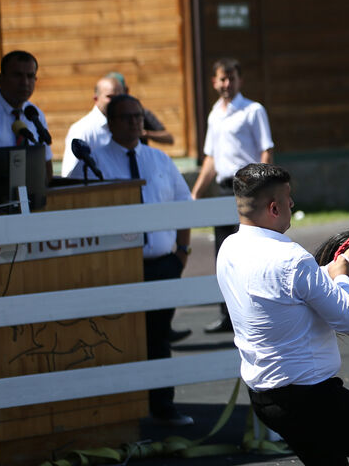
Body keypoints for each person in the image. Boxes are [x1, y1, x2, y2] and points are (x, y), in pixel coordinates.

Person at [216, 163, 349, 466]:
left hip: (267, 400)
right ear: (274, 208)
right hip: (310, 401)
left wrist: (345, 258)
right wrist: (343, 275)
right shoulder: (289, 258)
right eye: (288, 198)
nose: (293, 204)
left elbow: (289, 290)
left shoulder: (230, 248)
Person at [63, 94, 195, 426]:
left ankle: (163, 407)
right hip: (116, 268)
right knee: (115, 338)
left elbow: (184, 207)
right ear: (111, 123)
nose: (135, 122)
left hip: (163, 264)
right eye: (127, 117)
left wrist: (181, 253)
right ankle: (119, 412)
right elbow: (77, 214)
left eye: (139, 116)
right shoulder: (93, 163)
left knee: (158, 337)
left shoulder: (160, 159)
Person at [191, 58, 274, 333]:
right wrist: (195, 194)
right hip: (224, 189)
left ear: (240, 81)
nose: (226, 84)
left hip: (249, 187)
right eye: (221, 79)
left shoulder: (252, 110)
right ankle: (228, 316)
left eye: (231, 78)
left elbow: (266, 150)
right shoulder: (215, 114)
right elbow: (211, 159)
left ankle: (257, 310)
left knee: (251, 249)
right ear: (214, 82)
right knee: (224, 252)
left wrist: (264, 185)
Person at [0, 50, 53, 168]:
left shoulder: (35, 114)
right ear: (1, 79)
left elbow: (46, 166)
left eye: (30, 76)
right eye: (17, 75)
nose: (25, 82)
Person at [61, 75, 124, 175]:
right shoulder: (83, 129)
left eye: (120, 97)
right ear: (96, 98)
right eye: (110, 97)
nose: (115, 102)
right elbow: (70, 174)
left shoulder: (124, 127)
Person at [107, 71, 174, 146]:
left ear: (126, 91)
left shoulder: (140, 112)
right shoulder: (100, 118)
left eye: (136, 117)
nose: (133, 121)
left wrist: (145, 133)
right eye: (124, 117)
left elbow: (169, 138)